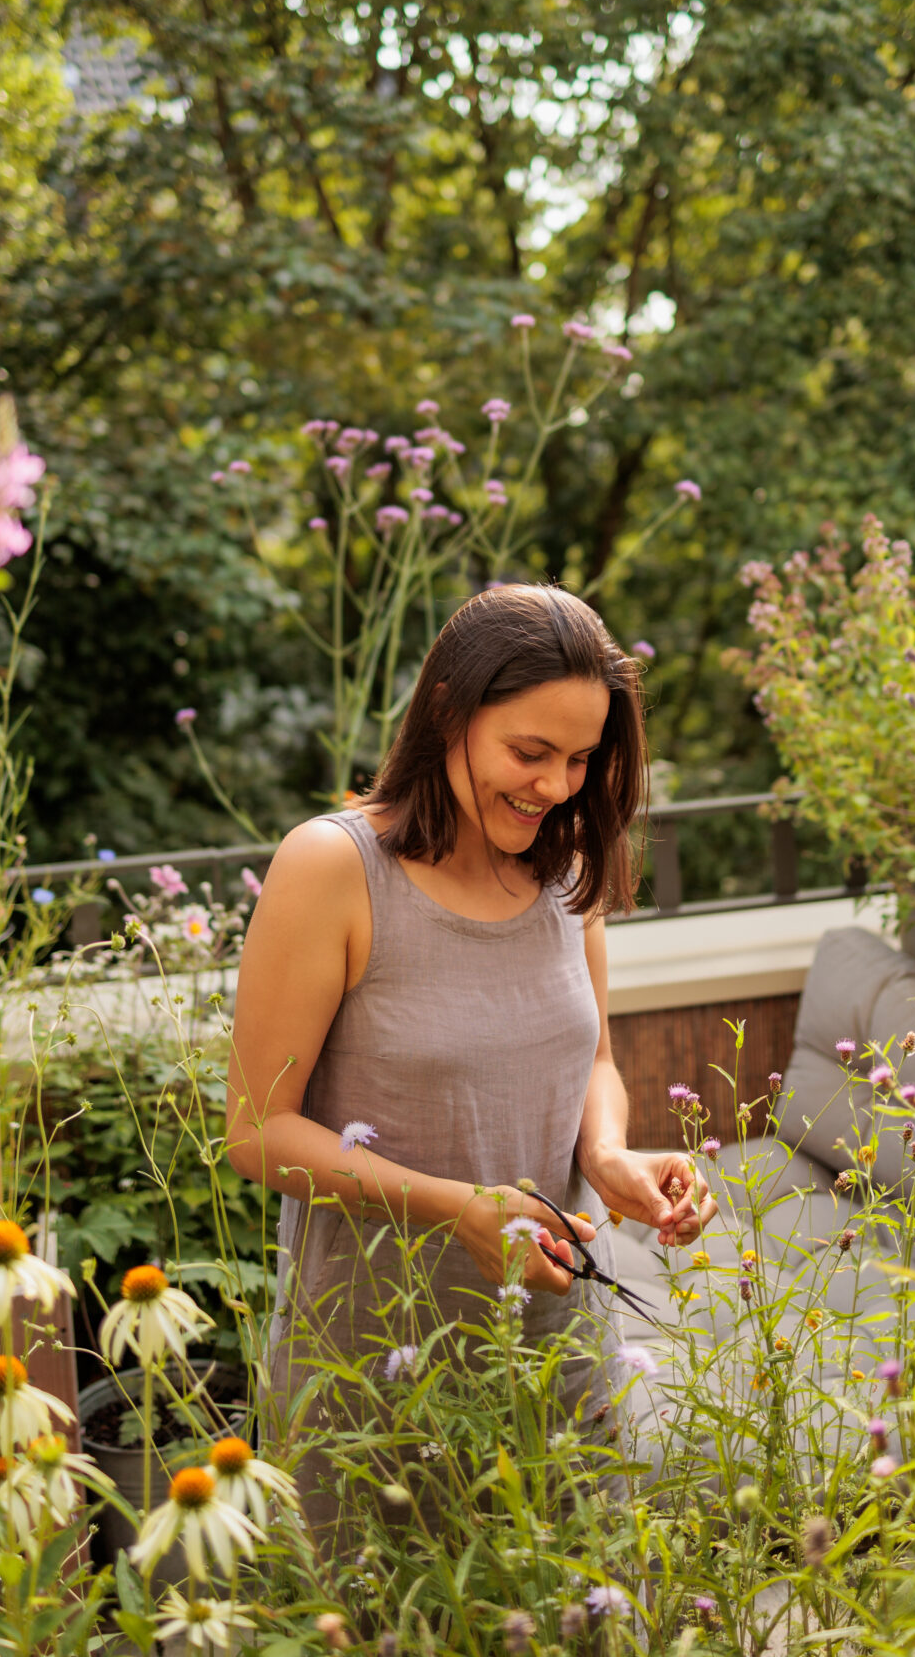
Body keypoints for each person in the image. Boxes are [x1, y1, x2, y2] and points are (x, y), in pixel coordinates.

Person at [226, 582, 716, 1488]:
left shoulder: (566, 864)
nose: (556, 787)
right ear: (447, 711)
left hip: (563, 1350)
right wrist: (457, 1207)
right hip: (376, 1379)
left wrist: (609, 1156)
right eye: (529, 752)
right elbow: (259, 1133)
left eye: (579, 758)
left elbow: (595, 1062)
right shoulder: (332, 867)